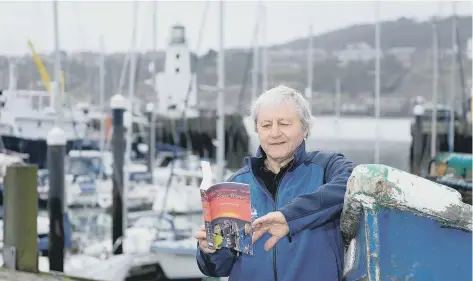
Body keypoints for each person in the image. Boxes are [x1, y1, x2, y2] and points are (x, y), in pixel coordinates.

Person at [193, 84, 355, 281]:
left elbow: (352, 184)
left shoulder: (327, 167)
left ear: (305, 128)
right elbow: (220, 268)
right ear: (257, 130)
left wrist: (290, 217)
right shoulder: (237, 184)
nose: (275, 133)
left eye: (284, 124)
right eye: (266, 125)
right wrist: (210, 250)